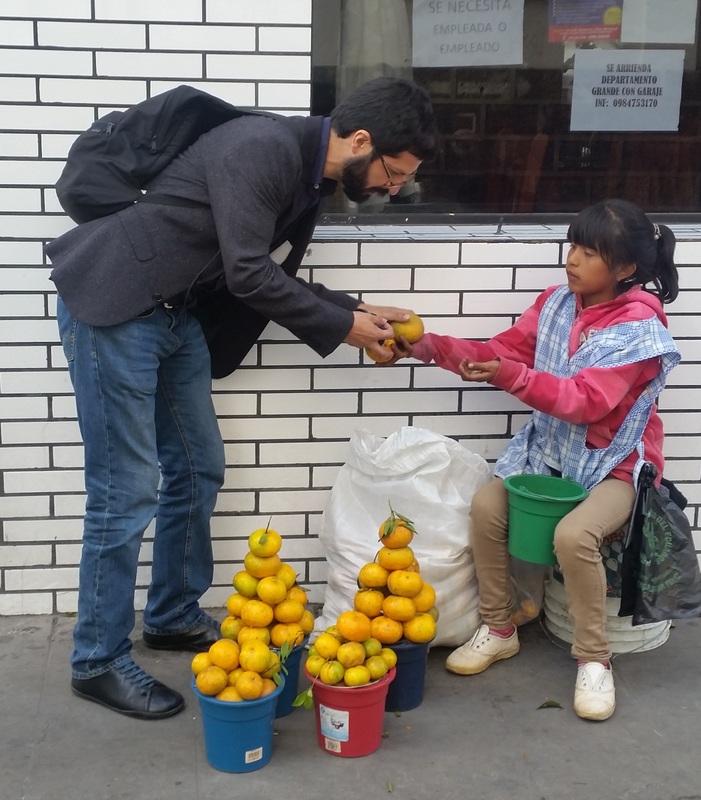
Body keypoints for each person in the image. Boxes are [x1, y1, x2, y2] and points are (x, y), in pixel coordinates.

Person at [44, 77, 437, 720]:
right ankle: (97, 659)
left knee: (199, 465)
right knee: (126, 487)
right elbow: (248, 273)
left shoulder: (310, 176)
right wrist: (346, 328)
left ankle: (169, 615)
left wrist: (355, 309)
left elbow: (261, 267)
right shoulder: (262, 147)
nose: (396, 187)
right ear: (361, 140)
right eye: (395, 172)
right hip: (116, 307)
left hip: (175, 315)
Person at [384, 198, 680, 721]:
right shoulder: (556, 304)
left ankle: (594, 660)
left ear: (625, 269)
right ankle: (499, 628)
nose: (572, 260)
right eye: (573, 247)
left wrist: (507, 375)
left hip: (613, 462)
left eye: (590, 253)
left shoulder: (638, 331)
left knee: (574, 536)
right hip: (552, 453)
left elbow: (586, 401)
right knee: (486, 508)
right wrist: (424, 344)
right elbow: (501, 350)